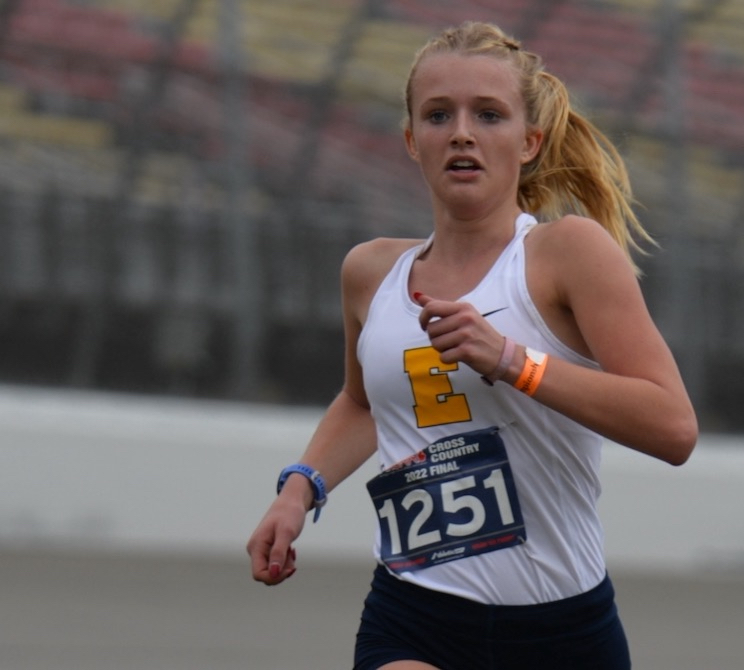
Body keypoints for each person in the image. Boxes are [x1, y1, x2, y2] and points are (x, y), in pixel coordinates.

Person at [246, 20, 697, 670]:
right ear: (411, 140)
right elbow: (365, 404)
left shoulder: (566, 254)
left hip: (560, 630)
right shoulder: (371, 274)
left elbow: (673, 426)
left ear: (529, 141)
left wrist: (513, 363)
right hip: (413, 615)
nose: (461, 132)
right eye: (438, 115)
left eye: (488, 114)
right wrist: (298, 491)